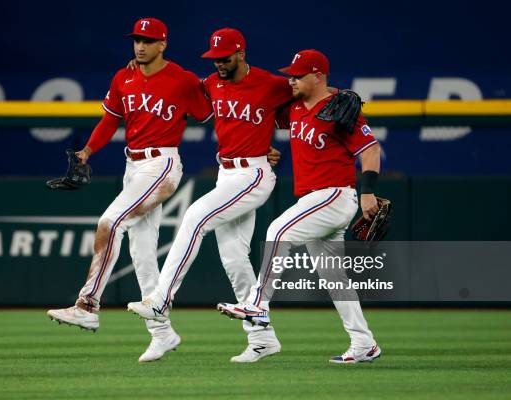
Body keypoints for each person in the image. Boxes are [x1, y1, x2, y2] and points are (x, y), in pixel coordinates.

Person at [47, 17, 213, 363]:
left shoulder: (181, 79)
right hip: (133, 167)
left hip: (161, 165)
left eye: (148, 40)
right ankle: (162, 333)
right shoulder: (123, 77)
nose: (140, 46)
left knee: (110, 222)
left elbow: (208, 113)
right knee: (142, 253)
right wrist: (87, 151)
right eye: (137, 39)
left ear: (162, 44)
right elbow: (110, 120)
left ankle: (87, 305)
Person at [128, 28, 293, 363]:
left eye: (225, 57)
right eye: (215, 58)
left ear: (241, 54)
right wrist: (144, 66)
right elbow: (175, 82)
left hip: (254, 173)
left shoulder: (270, 84)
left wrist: (345, 96)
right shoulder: (210, 84)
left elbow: (309, 95)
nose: (219, 63)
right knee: (234, 257)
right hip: (227, 173)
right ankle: (262, 338)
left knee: (195, 216)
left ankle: (161, 298)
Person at [217, 49, 383, 364]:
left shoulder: (338, 109)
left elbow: (371, 149)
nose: (290, 80)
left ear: (318, 75)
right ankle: (364, 342)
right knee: (334, 278)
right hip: (314, 199)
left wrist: (367, 192)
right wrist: (260, 149)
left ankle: (258, 303)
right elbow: (259, 117)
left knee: (278, 229)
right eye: (290, 74)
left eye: (298, 75)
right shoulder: (294, 109)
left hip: (333, 195)